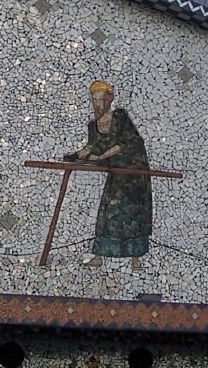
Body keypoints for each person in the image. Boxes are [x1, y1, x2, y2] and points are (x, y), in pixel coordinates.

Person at [64, 81, 151, 264]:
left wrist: (102, 155)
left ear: (109, 100)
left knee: (133, 213)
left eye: (101, 100)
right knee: (108, 213)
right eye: (94, 100)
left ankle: (135, 259)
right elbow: (91, 147)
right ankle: (100, 256)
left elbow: (126, 143)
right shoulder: (93, 126)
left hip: (134, 174)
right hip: (116, 176)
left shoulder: (120, 117)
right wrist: (75, 156)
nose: (97, 104)